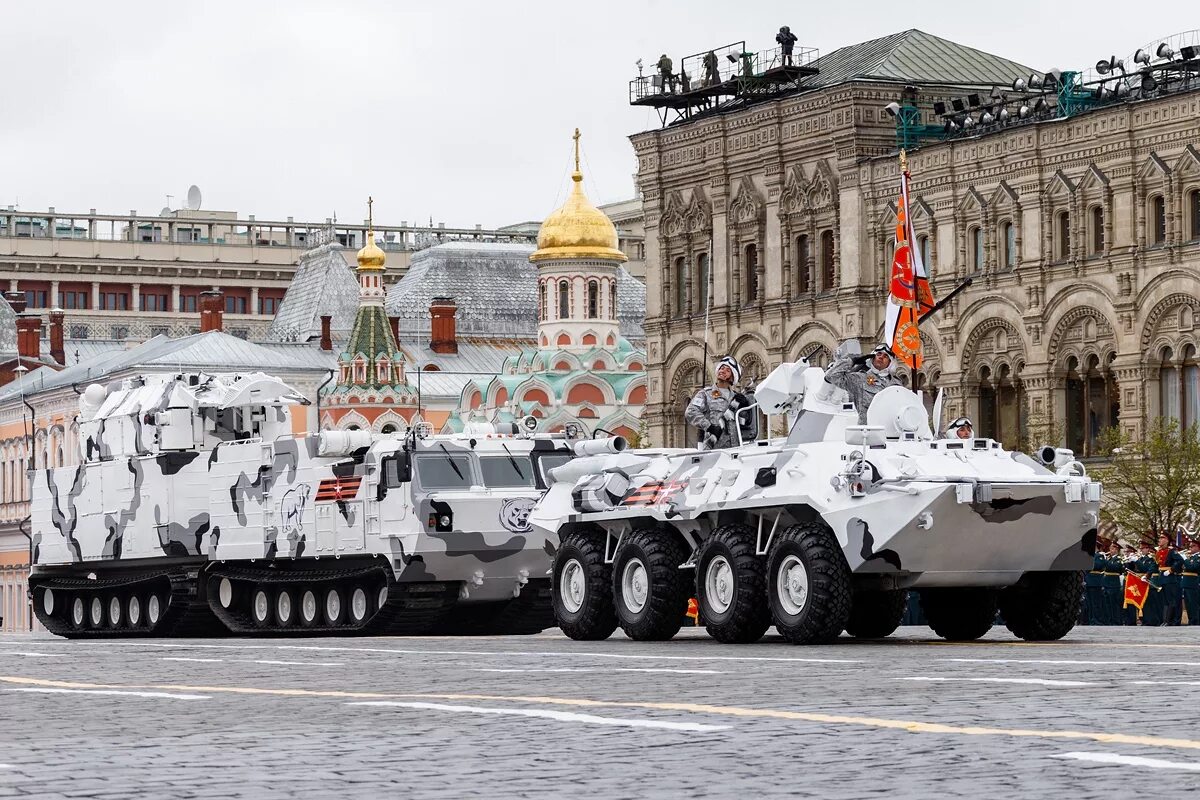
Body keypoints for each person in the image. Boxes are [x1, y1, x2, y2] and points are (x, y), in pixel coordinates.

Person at [685, 355, 757, 449]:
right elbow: (690, 412)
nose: (722, 371)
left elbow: (744, 423)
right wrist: (709, 427)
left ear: (732, 377)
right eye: (721, 368)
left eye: (727, 370)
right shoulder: (706, 394)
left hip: (735, 450)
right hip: (713, 450)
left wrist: (744, 407)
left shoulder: (736, 397)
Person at [824, 342, 900, 424]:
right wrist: (852, 361)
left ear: (890, 363)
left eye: (886, 356)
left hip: (893, 431)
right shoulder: (860, 379)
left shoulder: (896, 383)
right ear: (872, 357)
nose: (881, 357)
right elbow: (831, 376)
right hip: (867, 431)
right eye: (879, 354)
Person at [1156, 533, 1185, 625]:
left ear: (1167, 540)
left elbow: (1180, 560)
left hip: (1169, 578)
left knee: (1170, 600)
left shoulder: (1171, 551)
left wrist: (1171, 570)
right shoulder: (1159, 552)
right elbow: (1155, 564)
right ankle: (1165, 620)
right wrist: (1147, 575)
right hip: (1161, 578)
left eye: (1162, 538)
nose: (1160, 540)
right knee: (1164, 601)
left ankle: (1168, 620)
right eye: (1160, 538)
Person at [1102, 540, 1125, 625]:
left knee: (1114, 604)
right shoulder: (1110, 558)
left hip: (1113, 584)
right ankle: (1110, 620)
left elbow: (1114, 567)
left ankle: (1117, 621)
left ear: (1116, 550)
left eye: (1112, 548)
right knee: (1108, 604)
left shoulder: (1119, 559)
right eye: (1110, 548)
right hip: (1107, 583)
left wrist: (1104, 560)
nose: (1110, 550)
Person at [1085, 546, 1107, 625]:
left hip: (1095, 582)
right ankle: (1091, 619)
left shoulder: (1099, 556)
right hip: (1088, 581)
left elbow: (1097, 566)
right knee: (1089, 603)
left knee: (1096, 603)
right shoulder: (1087, 556)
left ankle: (1097, 620)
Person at [1181, 538, 1200, 625]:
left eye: (1193, 546)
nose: (1190, 548)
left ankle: (1196, 621)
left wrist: (1185, 560)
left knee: (1193, 604)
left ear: (1198, 547)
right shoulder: (1191, 557)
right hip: (1186, 583)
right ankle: (1191, 620)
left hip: (1193, 583)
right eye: (1190, 546)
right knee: (1188, 604)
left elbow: (1193, 567)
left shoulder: (1198, 557)